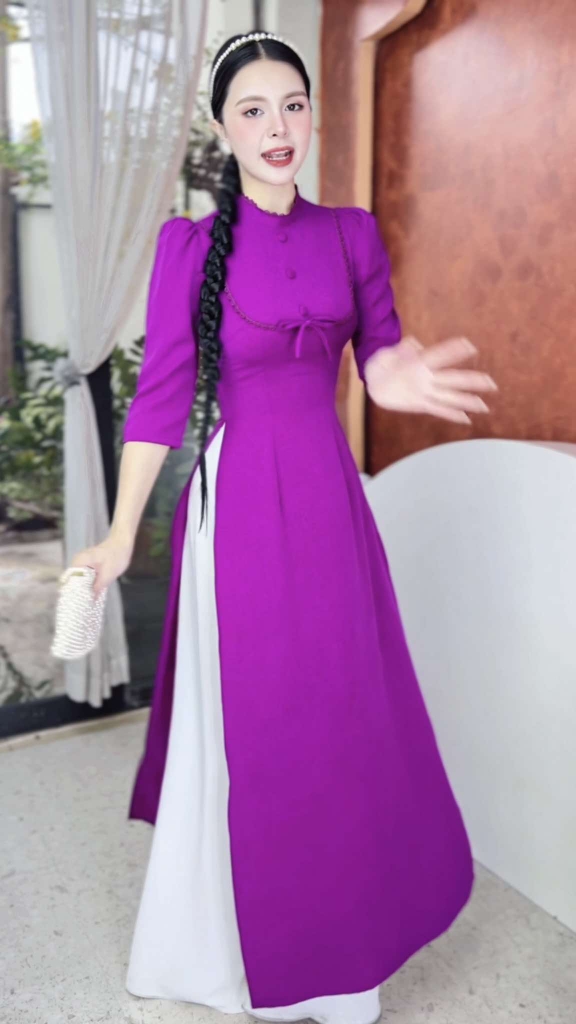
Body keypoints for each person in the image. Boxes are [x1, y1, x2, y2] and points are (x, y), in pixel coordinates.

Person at [71, 31, 498, 1024]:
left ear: (310, 117)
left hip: (329, 501)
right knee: (260, 726)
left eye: (293, 105)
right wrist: (121, 533)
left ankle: (343, 961)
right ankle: (228, 956)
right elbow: (159, 403)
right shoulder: (188, 248)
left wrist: (389, 373)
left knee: (342, 716)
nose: (278, 127)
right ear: (223, 127)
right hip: (240, 511)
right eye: (253, 109)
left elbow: (381, 349)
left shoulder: (352, 232)